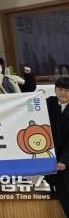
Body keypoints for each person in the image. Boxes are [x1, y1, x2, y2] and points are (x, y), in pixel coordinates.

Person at [47, 77, 69, 217]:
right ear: (55, 90)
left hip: (66, 159)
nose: (63, 93)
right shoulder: (50, 103)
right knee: (63, 195)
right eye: (60, 89)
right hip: (53, 159)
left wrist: (64, 160)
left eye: (66, 90)